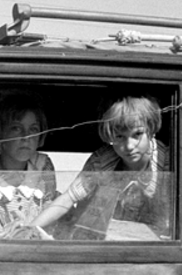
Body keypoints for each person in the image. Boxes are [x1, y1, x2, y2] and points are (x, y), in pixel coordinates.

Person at [30, 96, 169, 238]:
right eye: (119, 137)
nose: (129, 146)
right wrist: (28, 231)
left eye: (137, 134)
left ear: (151, 130)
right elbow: (68, 198)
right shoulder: (102, 161)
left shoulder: (167, 163)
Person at [0, 96, 56, 237]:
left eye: (33, 129)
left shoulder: (42, 171)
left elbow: (50, 218)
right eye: (16, 128)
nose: (26, 137)